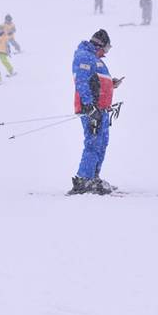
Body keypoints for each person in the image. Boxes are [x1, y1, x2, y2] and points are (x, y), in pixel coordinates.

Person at [70, 29, 121, 195]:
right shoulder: (84, 56)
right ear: (100, 44)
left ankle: (94, 177)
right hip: (91, 109)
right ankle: (84, 180)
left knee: (102, 142)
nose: (107, 51)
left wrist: (110, 84)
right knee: (93, 143)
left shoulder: (96, 60)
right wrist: (89, 105)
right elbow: (82, 81)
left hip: (102, 110)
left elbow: (96, 82)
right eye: (107, 47)